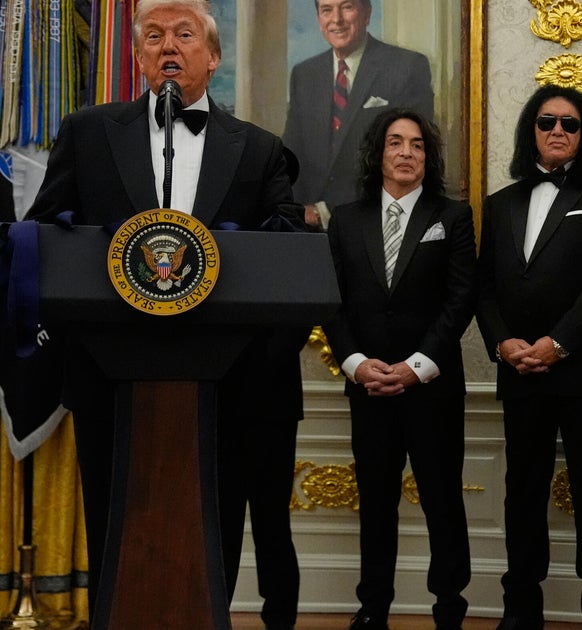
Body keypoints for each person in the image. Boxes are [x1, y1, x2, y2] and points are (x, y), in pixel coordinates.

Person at [25, 0, 300, 616]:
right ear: (138, 56)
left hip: (225, 381)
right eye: (153, 36)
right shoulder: (88, 132)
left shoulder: (258, 149)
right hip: (108, 373)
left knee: (215, 529)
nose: (167, 46)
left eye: (183, 34)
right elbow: (44, 233)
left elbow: (287, 251)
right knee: (114, 526)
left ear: (213, 56)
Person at [476, 84, 582, 630]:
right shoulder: (500, 204)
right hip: (520, 372)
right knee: (522, 493)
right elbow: (484, 287)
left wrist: (557, 343)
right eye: (547, 122)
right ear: (531, 131)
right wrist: (503, 343)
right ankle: (520, 610)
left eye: (570, 123)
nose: (558, 131)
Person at [324, 107, 474, 630]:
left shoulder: (452, 217)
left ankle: (450, 609)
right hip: (369, 390)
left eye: (417, 144)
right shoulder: (345, 220)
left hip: (432, 390)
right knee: (376, 505)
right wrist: (356, 364)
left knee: (443, 503)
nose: (406, 152)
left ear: (427, 157)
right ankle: (373, 609)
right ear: (379, 153)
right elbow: (332, 302)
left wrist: (416, 367)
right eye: (395, 142)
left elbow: (460, 299)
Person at [216, 146, 308, 630]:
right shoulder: (222, 234)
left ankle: (281, 621)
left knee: (273, 523)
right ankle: (216, 615)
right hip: (221, 399)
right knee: (223, 521)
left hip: (273, 401)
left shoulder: (295, 242)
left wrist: (252, 363)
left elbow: (298, 321)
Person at [283, 0, 435, 229]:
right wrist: (292, 210)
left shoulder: (407, 67)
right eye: (327, 10)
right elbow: (292, 154)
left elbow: (406, 157)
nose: (336, 20)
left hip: (376, 223)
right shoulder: (304, 74)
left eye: (347, 7)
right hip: (306, 228)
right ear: (319, 19)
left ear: (366, 13)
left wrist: (327, 210)